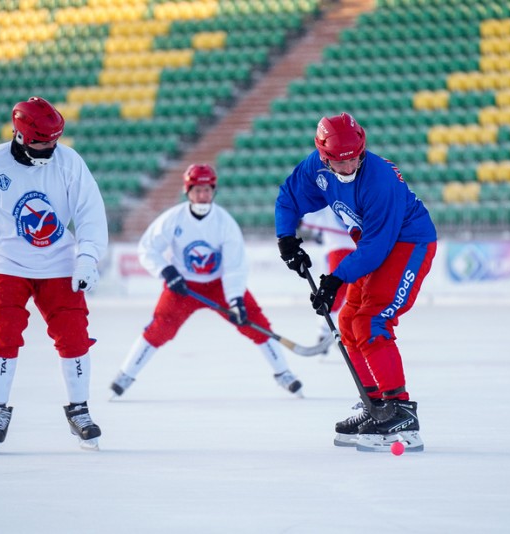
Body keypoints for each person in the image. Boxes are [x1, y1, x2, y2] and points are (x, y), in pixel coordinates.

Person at [274, 112, 437, 453]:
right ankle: (375, 406)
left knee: (372, 320)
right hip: (373, 246)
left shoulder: (379, 180)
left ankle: (401, 411)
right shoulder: (315, 169)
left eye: (354, 159)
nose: (348, 168)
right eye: (339, 162)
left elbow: (377, 247)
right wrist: (287, 240)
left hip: (408, 243)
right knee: (348, 321)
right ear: (324, 156)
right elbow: (289, 197)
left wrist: (335, 279)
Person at [0, 96, 108, 451]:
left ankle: (79, 409)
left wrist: (87, 258)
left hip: (59, 263)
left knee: (74, 335)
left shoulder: (69, 162)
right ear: (21, 135)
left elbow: (90, 214)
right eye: (43, 141)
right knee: (2, 334)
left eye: (55, 139)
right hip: (8, 263)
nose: (51, 146)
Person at [110, 163, 303, 399]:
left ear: (213, 191)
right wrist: (167, 272)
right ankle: (126, 375)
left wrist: (235, 300)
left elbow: (235, 265)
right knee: (160, 328)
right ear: (188, 191)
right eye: (197, 190)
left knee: (255, 322)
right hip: (183, 286)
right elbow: (147, 248)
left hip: (219, 285)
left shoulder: (224, 223)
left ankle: (283, 374)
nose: (203, 196)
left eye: (207, 190)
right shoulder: (173, 219)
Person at [299, 206, 354, 352]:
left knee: (343, 292)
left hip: (350, 247)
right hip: (340, 246)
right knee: (335, 291)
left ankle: (334, 332)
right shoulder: (329, 191)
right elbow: (310, 215)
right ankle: (325, 333)